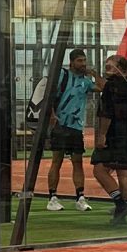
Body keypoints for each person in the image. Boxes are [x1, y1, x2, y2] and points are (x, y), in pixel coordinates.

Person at [93, 50, 127, 221]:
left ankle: (120, 204)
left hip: (115, 135)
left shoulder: (112, 86)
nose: (106, 69)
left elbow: (107, 112)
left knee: (99, 170)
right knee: (124, 173)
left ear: (120, 68)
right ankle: (121, 214)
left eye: (110, 66)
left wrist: (102, 135)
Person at [44, 48, 96, 212]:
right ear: (71, 62)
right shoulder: (62, 75)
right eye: (79, 61)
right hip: (61, 124)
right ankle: (52, 198)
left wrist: (94, 73)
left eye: (84, 60)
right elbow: (49, 94)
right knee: (57, 161)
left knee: (78, 162)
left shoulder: (86, 81)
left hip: (76, 127)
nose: (83, 64)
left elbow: (102, 87)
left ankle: (80, 198)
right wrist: (52, 114)